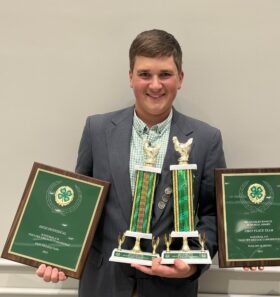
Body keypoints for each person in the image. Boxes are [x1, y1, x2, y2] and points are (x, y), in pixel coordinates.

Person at [36, 29, 226, 297]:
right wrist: (55, 254)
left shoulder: (206, 139)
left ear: (180, 78)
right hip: (103, 285)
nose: (155, 85)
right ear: (130, 77)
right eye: (145, 74)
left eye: (165, 74)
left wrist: (193, 266)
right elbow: (80, 208)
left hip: (171, 289)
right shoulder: (97, 129)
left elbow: (213, 215)